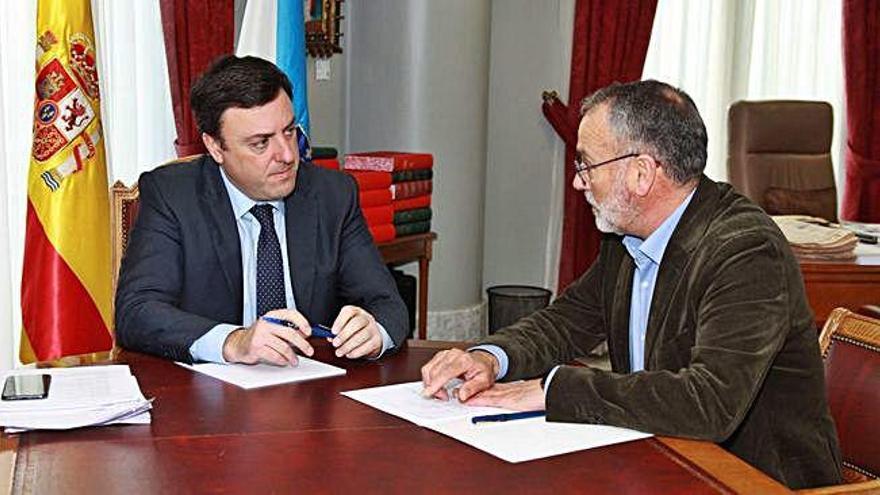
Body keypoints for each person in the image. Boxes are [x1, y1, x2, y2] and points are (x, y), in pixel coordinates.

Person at [421, 80, 841, 489]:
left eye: (586, 164)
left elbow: (708, 402)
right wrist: (491, 358)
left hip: (753, 479)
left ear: (641, 174)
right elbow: (567, 321)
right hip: (656, 456)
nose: (578, 182)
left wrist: (553, 390)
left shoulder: (745, 251)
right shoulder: (626, 237)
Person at [115, 55, 408, 366]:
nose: (286, 154)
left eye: (290, 131)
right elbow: (137, 311)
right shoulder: (173, 195)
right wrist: (233, 341)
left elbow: (388, 304)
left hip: (311, 390)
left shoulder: (332, 194)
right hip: (209, 399)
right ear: (215, 147)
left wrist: (374, 331)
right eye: (260, 143)